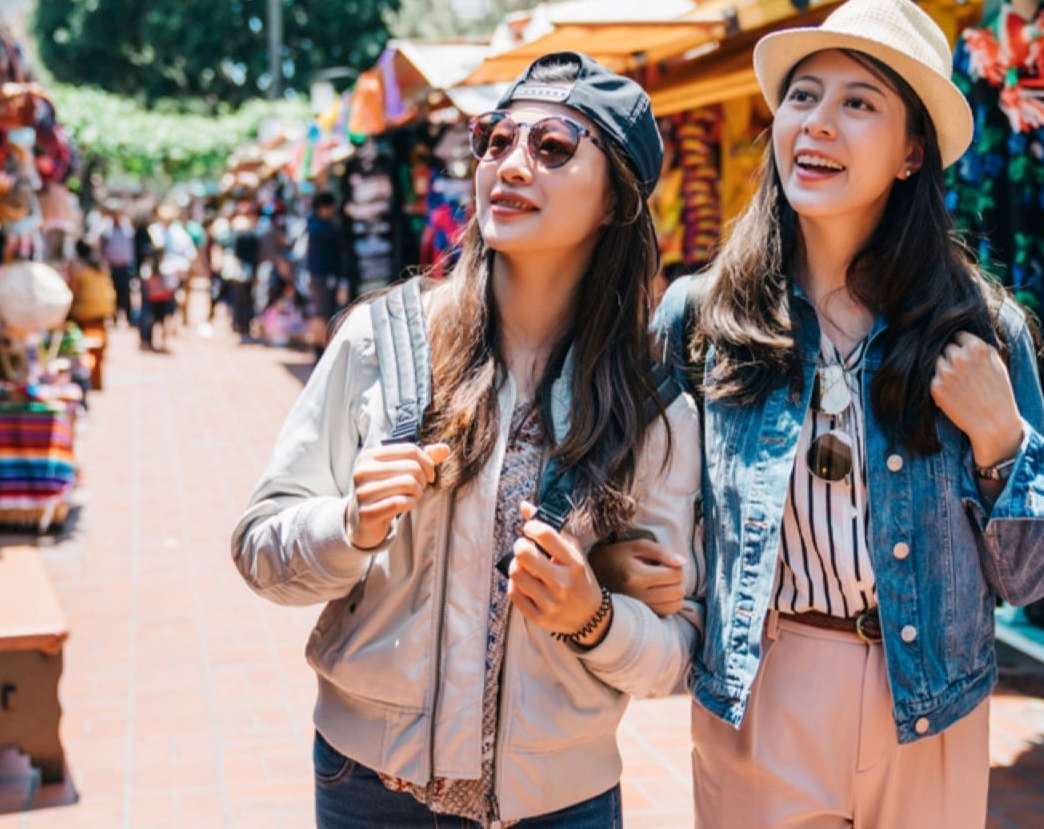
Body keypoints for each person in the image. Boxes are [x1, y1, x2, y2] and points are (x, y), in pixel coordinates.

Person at [597, 0, 1044, 828]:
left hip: (930, 700)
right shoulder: (704, 319)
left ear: (911, 152)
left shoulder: (982, 330)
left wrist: (1001, 437)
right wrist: (624, 562)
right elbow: (632, 500)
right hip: (763, 683)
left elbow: (1032, 579)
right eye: (804, 98)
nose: (817, 124)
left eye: (859, 104)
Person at [231, 52, 702, 828]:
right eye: (495, 140)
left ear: (617, 197)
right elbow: (259, 548)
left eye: (553, 147)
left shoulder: (651, 406)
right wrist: (348, 527)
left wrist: (594, 616)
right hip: (368, 787)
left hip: (559, 802)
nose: (511, 165)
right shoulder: (381, 339)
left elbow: (675, 649)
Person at [302, 190, 353, 353]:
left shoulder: (314, 225)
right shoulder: (321, 228)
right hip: (322, 277)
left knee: (321, 312)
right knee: (323, 313)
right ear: (323, 208)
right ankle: (321, 350)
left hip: (319, 276)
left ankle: (321, 349)